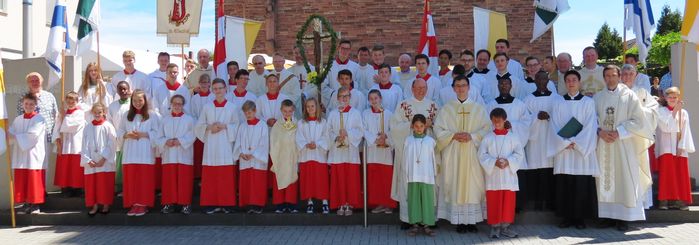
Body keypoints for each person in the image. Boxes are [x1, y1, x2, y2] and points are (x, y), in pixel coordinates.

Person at [593, 65, 653, 231]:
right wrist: (599, 132)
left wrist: (619, 132)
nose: (610, 78)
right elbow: (592, 119)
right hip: (603, 143)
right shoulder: (598, 97)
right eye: (607, 76)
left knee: (624, 178)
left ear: (619, 76)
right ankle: (607, 217)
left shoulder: (630, 96)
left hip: (624, 145)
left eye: (613, 75)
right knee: (604, 179)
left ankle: (624, 218)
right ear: (603, 77)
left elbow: (639, 120)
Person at [434, 75, 490, 233]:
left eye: (463, 85)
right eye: (457, 86)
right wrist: (453, 135)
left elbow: (486, 128)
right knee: (454, 181)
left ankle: (472, 221)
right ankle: (459, 221)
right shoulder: (446, 108)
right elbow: (438, 129)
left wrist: (472, 136)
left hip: (472, 151)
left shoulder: (478, 108)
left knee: (473, 184)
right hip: (453, 152)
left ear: (469, 87)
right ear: (453, 88)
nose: (460, 88)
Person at [549, 70, 599, 229]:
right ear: (565, 83)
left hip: (580, 151)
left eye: (574, 80)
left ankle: (580, 218)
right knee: (565, 184)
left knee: (581, 184)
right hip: (564, 150)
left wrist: (575, 142)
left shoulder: (588, 102)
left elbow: (591, 126)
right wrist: (565, 142)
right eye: (568, 80)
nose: (571, 82)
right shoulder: (558, 102)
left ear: (579, 82)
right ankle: (566, 217)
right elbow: (554, 125)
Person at [390, 78, 438, 228]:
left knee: (427, 185)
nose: (421, 91)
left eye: (423, 88)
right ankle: (408, 218)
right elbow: (394, 126)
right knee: (407, 183)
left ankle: (428, 219)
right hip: (409, 154)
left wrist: (432, 124)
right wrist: (411, 126)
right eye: (418, 88)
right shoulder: (403, 105)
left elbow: (441, 128)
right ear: (412, 88)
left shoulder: (433, 106)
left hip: (427, 154)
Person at [194, 79, 239, 214]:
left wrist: (225, 126)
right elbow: (199, 126)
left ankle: (226, 203)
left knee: (225, 175)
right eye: (215, 89)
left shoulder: (232, 107)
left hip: (225, 144)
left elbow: (236, 125)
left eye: (220, 88)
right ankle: (211, 203)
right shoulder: (207, 107)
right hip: (211, 145)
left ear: (225, 89)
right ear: (212, 91)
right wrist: (209, 127)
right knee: (211, 175)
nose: (218, 91)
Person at [479, 108, 523, 239]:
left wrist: (509, 162)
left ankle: (506, 227)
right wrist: (493, 162)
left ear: (505, 120)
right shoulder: (488, 138)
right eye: (494, 120)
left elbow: (519, 153)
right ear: (491, 120)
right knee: (494, 201)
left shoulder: (513, 137)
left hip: (508, 176)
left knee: (508, 202)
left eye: (499, 119)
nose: (497, 122)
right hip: (494, 177)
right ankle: (494, 227)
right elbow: (481, 155)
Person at [520, 71, 561, 211]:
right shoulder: (528, 99)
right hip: (535, 142)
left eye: (544, 79)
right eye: (539, 79)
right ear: (535, 81)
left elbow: (561, 118)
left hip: (551, 139)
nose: (542, 81)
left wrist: (549, 117)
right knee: (535, 170)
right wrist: (536, 117)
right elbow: (524, 121)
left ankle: (550, 202)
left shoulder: (557, 99)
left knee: (550, 171)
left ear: (548, 80)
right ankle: (535, 202)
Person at [621, 64, 659, 209]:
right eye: (624, 74)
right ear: (620, 76)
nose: (627, 76)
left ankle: (639, 206)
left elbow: (653, 111)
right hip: (620, 138)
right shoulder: (615, 92)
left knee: (637, 170)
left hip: (637, 139)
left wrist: (638, 111)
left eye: (630, 73)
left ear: (635, 75)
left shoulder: (642, 92)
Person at [119, 89, 159, 216]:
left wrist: (144, 134)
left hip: (145, 151)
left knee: (144, 179)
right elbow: (119, 131)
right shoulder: (126, 115)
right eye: (135, 100)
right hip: (130, 152)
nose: (137, 103)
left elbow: (158, 133)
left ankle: (143, 205)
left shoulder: (152, 115)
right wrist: (127, 134)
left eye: (140, 100)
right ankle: (133, 204)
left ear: (145, 101)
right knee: (132, 180)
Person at [655, 87, 695, 210]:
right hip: (666, 148)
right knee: (667, 175)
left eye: (675, 97)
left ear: (678, 98)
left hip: (679, 148)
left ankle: (679, 200)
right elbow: (666, 128)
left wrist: (681, 146)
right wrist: (674, 112)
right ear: (665, 98)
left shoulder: (683, 112)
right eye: (670, 97)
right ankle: (664, 200)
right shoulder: (661, 111)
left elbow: (685, 130)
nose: (672, 99)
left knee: (680, 175)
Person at [327, 87, 364, 216]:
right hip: (337, 151)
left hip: (350, 151)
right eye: (341, 96)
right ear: (337, 98)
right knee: (339, 178)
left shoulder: (356, 113)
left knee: (350, 178)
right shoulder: (332, 113)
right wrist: (336, 137)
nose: (344, 99)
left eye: (346, 96)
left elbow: (360, 130)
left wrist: (348, 133)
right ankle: (340, 203)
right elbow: (328, 131)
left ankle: (349, 203)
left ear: (350, 97)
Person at [157, 95, 195, 215]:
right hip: (169, 154)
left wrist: (181, 141)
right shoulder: (165, 119)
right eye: (175, 103)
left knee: (184, 179)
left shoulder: (189, 119)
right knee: (169, 180)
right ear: (171, 104)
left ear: (183, 105)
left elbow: (193, 135)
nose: (177, 106)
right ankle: (169, 203)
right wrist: (165, 141)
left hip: (184, 153)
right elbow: (159, 136)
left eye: (179, 104)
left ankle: (185, 204)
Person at [10, 93, 48, 214]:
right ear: (22, 104)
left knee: (34, 179)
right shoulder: (18, 119)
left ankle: (35, 205)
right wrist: (6, 132)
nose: (28, 106)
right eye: (26, 103)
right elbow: (12, 132)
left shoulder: (39, 119)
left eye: (31, 104)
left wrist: (14, 136)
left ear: (35, 105)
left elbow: (33, 136)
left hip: (33, 154)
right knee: (23, 178)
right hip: (21, 154)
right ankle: (26, 203)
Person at [403, 114, 437, 237]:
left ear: (425, 126)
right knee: (414, 200)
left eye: (421, 126)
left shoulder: (430, 141)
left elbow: (433, 159)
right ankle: (415, 225)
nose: (418, 128)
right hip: (413, 175)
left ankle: (427, 225)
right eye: (416, 126)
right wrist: (406, 173)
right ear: (412, 126)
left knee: (427, 201)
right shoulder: (408, 140)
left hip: (426, 175)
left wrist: (433, 173)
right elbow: (406, 158)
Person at [363, 90, 396, 214]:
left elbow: (393, 130)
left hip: (385, 152)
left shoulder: (389, 114)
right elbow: (363, 129)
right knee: (375, 179)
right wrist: (375, 140)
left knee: (386, 178)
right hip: (373, 151)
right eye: (371, 98)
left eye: (376, 98)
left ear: (380, 99)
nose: (374, 101)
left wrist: (386, 137)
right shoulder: (365, 114)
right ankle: (378, 204)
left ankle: (388, 204)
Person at [81, 103, 117, 216]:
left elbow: (112, 143)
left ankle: (105, 205)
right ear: (92, 112)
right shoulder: (87, 127)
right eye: (95, 112)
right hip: (91, 161)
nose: (97, 114)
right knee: (92, 184)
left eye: (99, 112)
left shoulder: (108, 126)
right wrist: (87, 160)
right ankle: (94, 205)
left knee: (104, 183)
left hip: (104, 162)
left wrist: (104, 158)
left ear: (104, 113)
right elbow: (83, 145)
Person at [17, 73, 58, 171]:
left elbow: (55, 115)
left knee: (44, 164)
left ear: (41, 81)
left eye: (37, 80)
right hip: (31, 137)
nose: (35, 83)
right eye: (32, 81)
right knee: (33, 165)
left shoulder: (49, 96)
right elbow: (20, 117)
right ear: (28, 83)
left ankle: (42, 186)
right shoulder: (23, 98)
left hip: (47, 136)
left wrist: (57, 135)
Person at [235, 100, 269, 214]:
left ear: (255, 111)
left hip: (257, 160)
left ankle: (258, 205)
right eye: (246, 112)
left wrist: (254, 154)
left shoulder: (262, 125)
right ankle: (248, 204)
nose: (248, 114)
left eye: (250, 112)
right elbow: (238, 142)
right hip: (245, 159)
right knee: (247, 183)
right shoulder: (242, 126)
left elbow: (264, 143)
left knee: (257, 183)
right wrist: (241, 152)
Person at [297, 98, 330, 214]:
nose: (310, 109)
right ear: (305, 109)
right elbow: (298, 137)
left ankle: (324, 202)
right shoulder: (301, 123)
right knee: (308, 180)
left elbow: (326, 136)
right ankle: (309, 202)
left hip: (319, 155)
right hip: (306, 155)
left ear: (317, 107)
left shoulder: (323, 122)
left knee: (321, 179)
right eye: (308, 107)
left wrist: (317, 144)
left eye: (312, 106)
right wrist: (306, 144)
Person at [52, 92, 87, 197]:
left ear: (77, 101)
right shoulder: (63, 112)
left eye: (73, 101)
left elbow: (71, 126)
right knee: (65, 167)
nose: (71, 103)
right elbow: (57, 127)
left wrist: (63, 117)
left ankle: (77, 188)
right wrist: (57, 140)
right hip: (64, 143)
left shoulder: (80, 113)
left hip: (76, 143)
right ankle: (66, 188)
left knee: (75, 167)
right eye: (68, 101)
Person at [270, 99, 299, 213]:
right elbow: (273, 139)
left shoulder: (297, 123)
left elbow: (299, 138)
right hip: (280, 155)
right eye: (285, 111)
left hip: (292, 155)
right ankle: (279, 204)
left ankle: (291, 203)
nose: (287, 114)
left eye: (290, 111)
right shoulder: (277, 125)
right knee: (280, 177)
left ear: (293, 111)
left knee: (292, 179)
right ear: (281, 111)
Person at [485, 76, 532, 146]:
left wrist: (512, 125)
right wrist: (498, 125)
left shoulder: (519, 104)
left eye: (506, 84)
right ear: (497, 86)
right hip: (496, 144)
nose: (504, 86)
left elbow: (526, 124)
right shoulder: (490, 105)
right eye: (501, 84)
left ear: (511, 86)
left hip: (514, 144)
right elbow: (486, 125)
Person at [107, 81, 131, 195]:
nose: (123, 91)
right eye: (120, 89)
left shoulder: (133, 104)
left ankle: (129, 187)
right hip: (118, 138)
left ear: (129, 90)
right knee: (119, 165)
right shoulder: (112, 106)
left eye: (125, 89)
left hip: (131, 139)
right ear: (117, 91)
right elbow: (109, 122)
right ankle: (120, 187)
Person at [190, 74, 214, 178]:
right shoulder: (194, 98)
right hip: (199, 132)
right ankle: (199, 178)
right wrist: (201, 125)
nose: (204, 84)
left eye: (206, 82)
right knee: (199, 156)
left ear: (210, 84)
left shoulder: (214, 97)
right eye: (202, 82)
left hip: (211, 131)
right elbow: (193, 114)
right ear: (199, 84)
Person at [322, 39, 360, 105]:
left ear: (350, 50)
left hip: (350, 101)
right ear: (338, 48)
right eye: (343, 48)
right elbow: (323, 85)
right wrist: (333, 94)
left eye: (347, 49)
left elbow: (358, 85)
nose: (345, 51)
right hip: (334, 100)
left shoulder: (355, 67)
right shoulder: (329, 66)